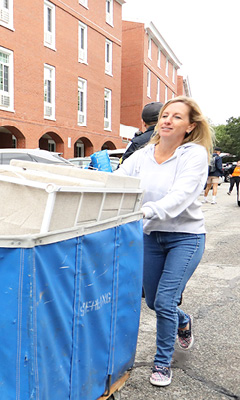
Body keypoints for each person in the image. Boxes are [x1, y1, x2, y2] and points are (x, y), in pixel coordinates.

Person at [115, 96, 213, 387]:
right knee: (157, 303)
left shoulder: (193, 154)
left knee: (166, 300)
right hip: (149, 236)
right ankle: (183, 321)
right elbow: (118, 180)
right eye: (165, 115)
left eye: (177, 117)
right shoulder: (144, 154)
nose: (168, 120)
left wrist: (145, 210)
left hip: (185, 237)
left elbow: (181, 196)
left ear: (190, 126)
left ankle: (162, 363)